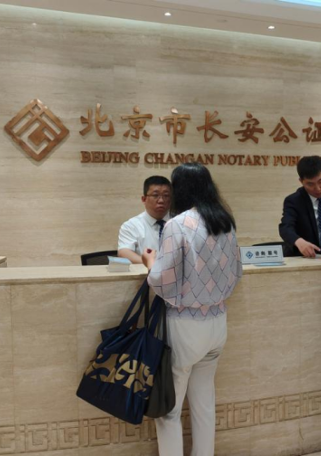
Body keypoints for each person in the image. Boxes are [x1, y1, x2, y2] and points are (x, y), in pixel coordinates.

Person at [142, 162, 242, 456]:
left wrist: (151, 263)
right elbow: (237, 272)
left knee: (169, 410)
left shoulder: (177, 224)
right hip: (218, 323)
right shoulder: (225, 222)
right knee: (204, 405)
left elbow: (162, 279)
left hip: (185, 327)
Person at [279, 155, 321, 257]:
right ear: (301, 181)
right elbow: (285, 227)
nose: (317, 188)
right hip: (306, 257)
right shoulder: (294, 201)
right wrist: (299, 241)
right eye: (310, 184)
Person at [117, 176, 171, 264]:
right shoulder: (131, 225)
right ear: (144, 199)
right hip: (145, 271)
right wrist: (153, 264)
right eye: (155, 195)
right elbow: (124, 253)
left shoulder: (180, 222)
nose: (161, 200)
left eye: (166, 196)